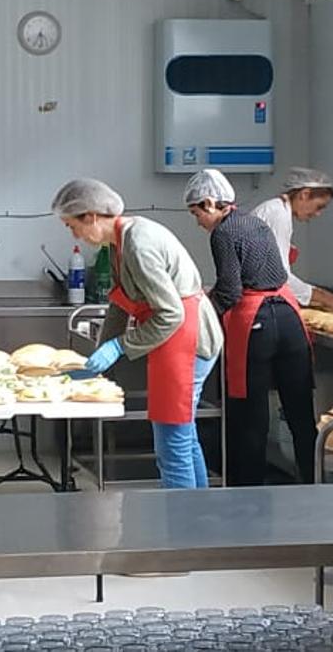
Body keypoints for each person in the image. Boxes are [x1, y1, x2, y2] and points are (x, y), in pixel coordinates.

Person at [52, 177, 222, 489]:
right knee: (183, 439)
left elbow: (171, 313)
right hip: (176, 336)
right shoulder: (119, 241)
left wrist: (119, 346)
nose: (72, 233)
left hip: (186, 338)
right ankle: (199, 520)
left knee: (173, 446)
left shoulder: (138, 243)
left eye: (71, 225)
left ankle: (183, 531)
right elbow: (121, 302)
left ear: (90, 216)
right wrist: (99, 358)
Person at [185, 169, 317, 486]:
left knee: (251, 419)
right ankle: (316, 484)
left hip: (257, 325)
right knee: (301, 415)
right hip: (289, 319)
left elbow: (230, 292)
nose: (198, 222)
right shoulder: (255, 222)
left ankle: (248, 498)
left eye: (196, 213)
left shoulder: (223, 233)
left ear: (209, 203)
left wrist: (196, 316)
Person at [250, 166, 333, 313]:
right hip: (257, 304)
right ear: (304, 194)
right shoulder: (278, 215)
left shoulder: (275, 209)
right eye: (319, 206)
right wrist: (324, 298)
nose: (318, 214)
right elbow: (279, 277)